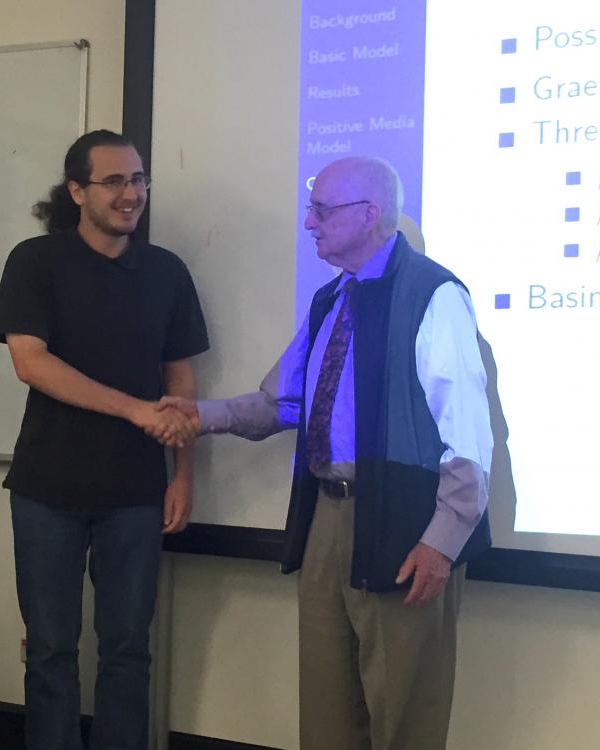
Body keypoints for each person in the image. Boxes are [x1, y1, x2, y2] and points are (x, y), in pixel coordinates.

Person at [162, 156, 492, 750]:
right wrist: (197, 416)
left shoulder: (433, 296)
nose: (309, 223)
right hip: (327, 518)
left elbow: (468, 434)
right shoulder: (332, 301)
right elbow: (282, 403)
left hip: (403, 525)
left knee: (404, 716)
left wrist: (442, 541)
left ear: (370, 216)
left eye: (322, 211)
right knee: (327, 709)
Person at [0, 129, 209, 749]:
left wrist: (183, 475)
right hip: (46, 489)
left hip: (137, 492)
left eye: (138, 180)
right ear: (77, 190)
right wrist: (135, 411)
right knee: (51, 652)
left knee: (128, 652)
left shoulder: (166, 271)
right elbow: (31, 362)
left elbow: (181, 383)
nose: (130, 193)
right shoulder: (35, 261)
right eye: (114, 181)